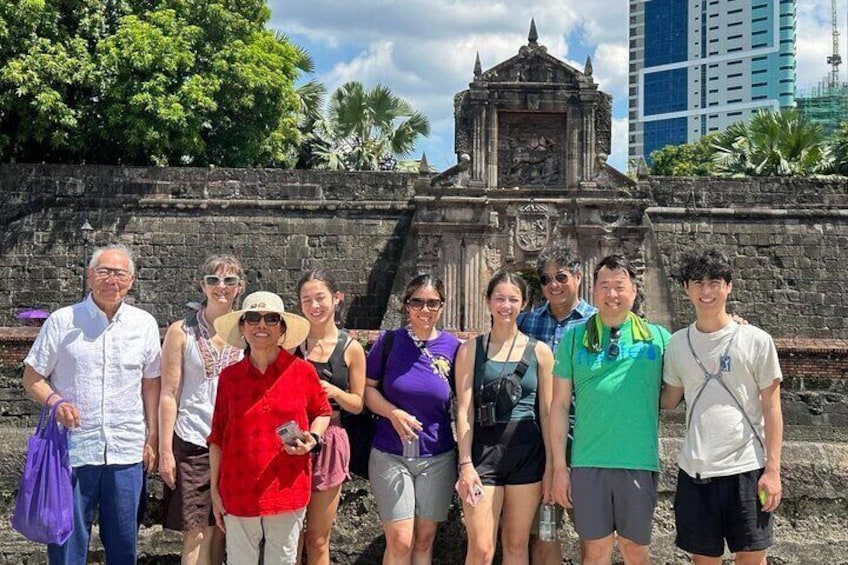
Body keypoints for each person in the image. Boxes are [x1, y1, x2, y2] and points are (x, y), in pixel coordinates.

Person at [22, 243, 162, 564]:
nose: (111, 280)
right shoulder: (62, 321)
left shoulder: (144, 324)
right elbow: (32, 378)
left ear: (131, 280)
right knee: (67, 542)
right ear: (89, 276)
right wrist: (56, 401)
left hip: (126, 449)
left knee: (125, 544)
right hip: (71, 451)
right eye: (104, 271)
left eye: (120, 274)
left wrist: (152, 436)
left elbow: (151, 383)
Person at [660, 248, 783, 565]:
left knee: (752, 558)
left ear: (728, 286)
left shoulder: (756, 340)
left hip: (747, 469)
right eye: (698, 282)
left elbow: (772, 408)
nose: (706, 291)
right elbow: (668, 399)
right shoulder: (676, 344)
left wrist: (772, 471)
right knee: (703, 560)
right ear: (686, 288)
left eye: (714, 282)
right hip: (697, 471)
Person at [550, 254, 670, 565]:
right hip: (588, 461)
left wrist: (735, 325)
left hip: (638, 461)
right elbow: (560, 405)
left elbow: (702, 346)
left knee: (635, 551)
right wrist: (560, 467)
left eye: (619, 286)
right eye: (604, 286)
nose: (612, 294)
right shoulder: (574, 337)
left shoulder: (658, 339)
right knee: (595, 551)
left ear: (634, 291)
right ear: (593, 290)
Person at [208, 291, 331, 564]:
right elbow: (217, 437)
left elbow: (323, 412)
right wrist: (216, 492)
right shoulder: (229, 378)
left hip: (288, 487)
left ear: (282, 329)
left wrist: (313, 437)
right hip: (238, 488)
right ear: (242, 328)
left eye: (271, 319)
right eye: (252, 318)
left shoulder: (302, 371)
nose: (260, 325)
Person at [455, 271, 554, 565]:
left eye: (513, 299)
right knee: (482, 549)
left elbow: (547, 414)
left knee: (516, 544)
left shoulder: (542, 352)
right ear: (488, 302)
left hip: (527, 452)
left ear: (524, 303)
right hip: (483, 453)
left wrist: (551, 465)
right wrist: (465, 464)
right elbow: (464, 409)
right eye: (499, 298)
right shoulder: (471, 349)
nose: (505, 305)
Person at [364, 274, 461, 565]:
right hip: (390, 452)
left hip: (437, 454)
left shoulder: (453, 347)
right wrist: (392, 412)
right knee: (400, 539)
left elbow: (463, 401)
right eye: (417, 301)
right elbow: (367, 390)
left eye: (433, 303)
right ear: (406, 305)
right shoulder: (390, 342)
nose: (425, 309)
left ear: (442, 306)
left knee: (424, 539)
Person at [158, 255, 246, 565]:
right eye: (213, 280)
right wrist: (165, 450)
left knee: (225, 528)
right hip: (193, 439)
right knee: (196, 531)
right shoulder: (182, 331)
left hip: (236, 444)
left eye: (229, 281)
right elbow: (169, 394)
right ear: (202, 285)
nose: (221, 287)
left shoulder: (249, 331)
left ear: (240, 287)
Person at [517, 247, 596, 564]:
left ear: (578, 277)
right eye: (546, 279)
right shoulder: (528, 322)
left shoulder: (598, 322)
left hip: (588, 439)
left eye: (561, 277)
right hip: (541, 441)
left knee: (593, 529)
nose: (553, 285)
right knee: (544, 528)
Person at [295, 270, 367, 565]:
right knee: (290, 534)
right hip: (294, 438)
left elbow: (358, 404)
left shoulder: (352, 349)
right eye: (306, 300)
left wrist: (335, 391)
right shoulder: (291, 345)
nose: (314, 306)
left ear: (336, 299)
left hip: (331, 439)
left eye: (320, 298)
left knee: (317, 537)